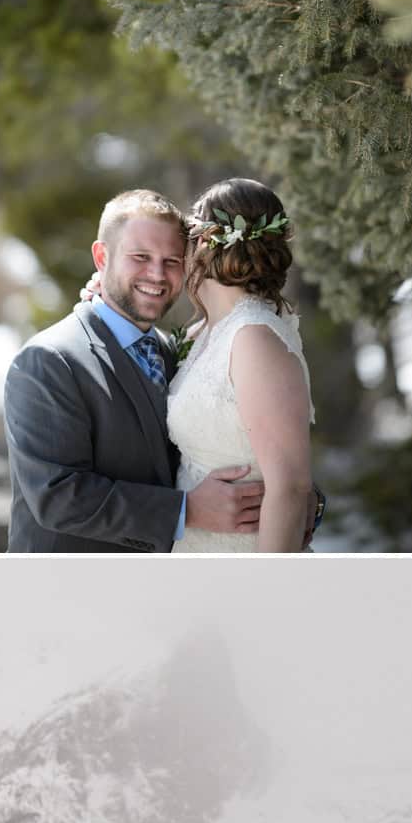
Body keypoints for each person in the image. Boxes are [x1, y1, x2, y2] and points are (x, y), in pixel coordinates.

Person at [3, 190, 265, 552]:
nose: (157, 275)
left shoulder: (177, 353)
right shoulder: (48, 361)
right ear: (102, 257)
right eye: (140, 257)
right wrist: (186, 511)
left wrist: (293, 499)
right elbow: (58, 496)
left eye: (171, 261)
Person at [167, 178, 314, 555]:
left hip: (243, 556)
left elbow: (291, 488)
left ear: (201, 242)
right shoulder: (199, 333)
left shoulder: (254, 340)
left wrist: (262, 595)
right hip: (191, 549)